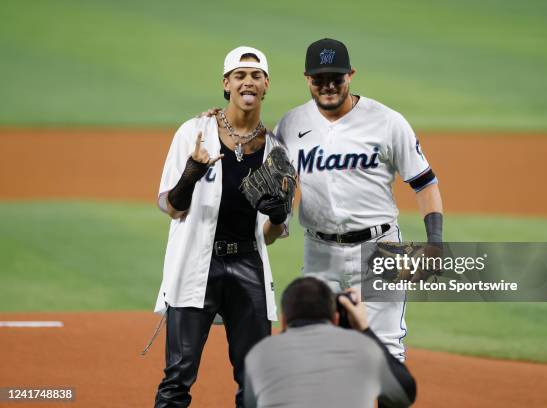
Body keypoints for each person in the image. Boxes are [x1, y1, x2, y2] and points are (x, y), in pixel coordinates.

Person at [273, 38, 444, 361]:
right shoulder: (290, 124)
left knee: (386, 351)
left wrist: (435, 239)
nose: (328, 87)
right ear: (307, 78)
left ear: (351, 75)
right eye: (319, 80)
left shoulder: (387, 121)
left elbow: (425, 184)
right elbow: (278, 187)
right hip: (319, 251)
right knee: (317, 349)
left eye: (336, 79)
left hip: (381, 248)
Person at [153, 46, 289, 408]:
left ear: (266, 85)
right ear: (226, 84)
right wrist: (191, 174)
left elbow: (272, 235)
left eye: (256, 75)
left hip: (248, 266)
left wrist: (277, 217)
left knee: (255, 380)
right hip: (197, 265)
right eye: (240, 75)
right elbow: (170, 206)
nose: (248, 82)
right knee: (178, 376)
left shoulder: (276, 150)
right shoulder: (194, 132)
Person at [243, 277, 417, 408]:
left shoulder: (259, 354)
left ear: (283, 321)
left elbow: (252, 403)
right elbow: (405, 394)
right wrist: (364, 329)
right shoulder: (363, 348)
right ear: (335, 319)